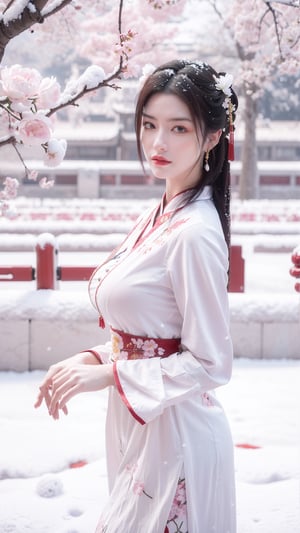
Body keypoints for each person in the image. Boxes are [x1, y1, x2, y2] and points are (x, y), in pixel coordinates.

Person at [35, 59, 238, 533]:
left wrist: (110, 375)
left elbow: (212, 363)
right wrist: (91, 358)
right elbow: (150, 328)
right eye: (149, 125)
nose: (158, 143)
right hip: (144, 422)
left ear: (211, 137)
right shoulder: (163, 212)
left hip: (178, 432)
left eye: (178, 128)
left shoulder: (193, 234)